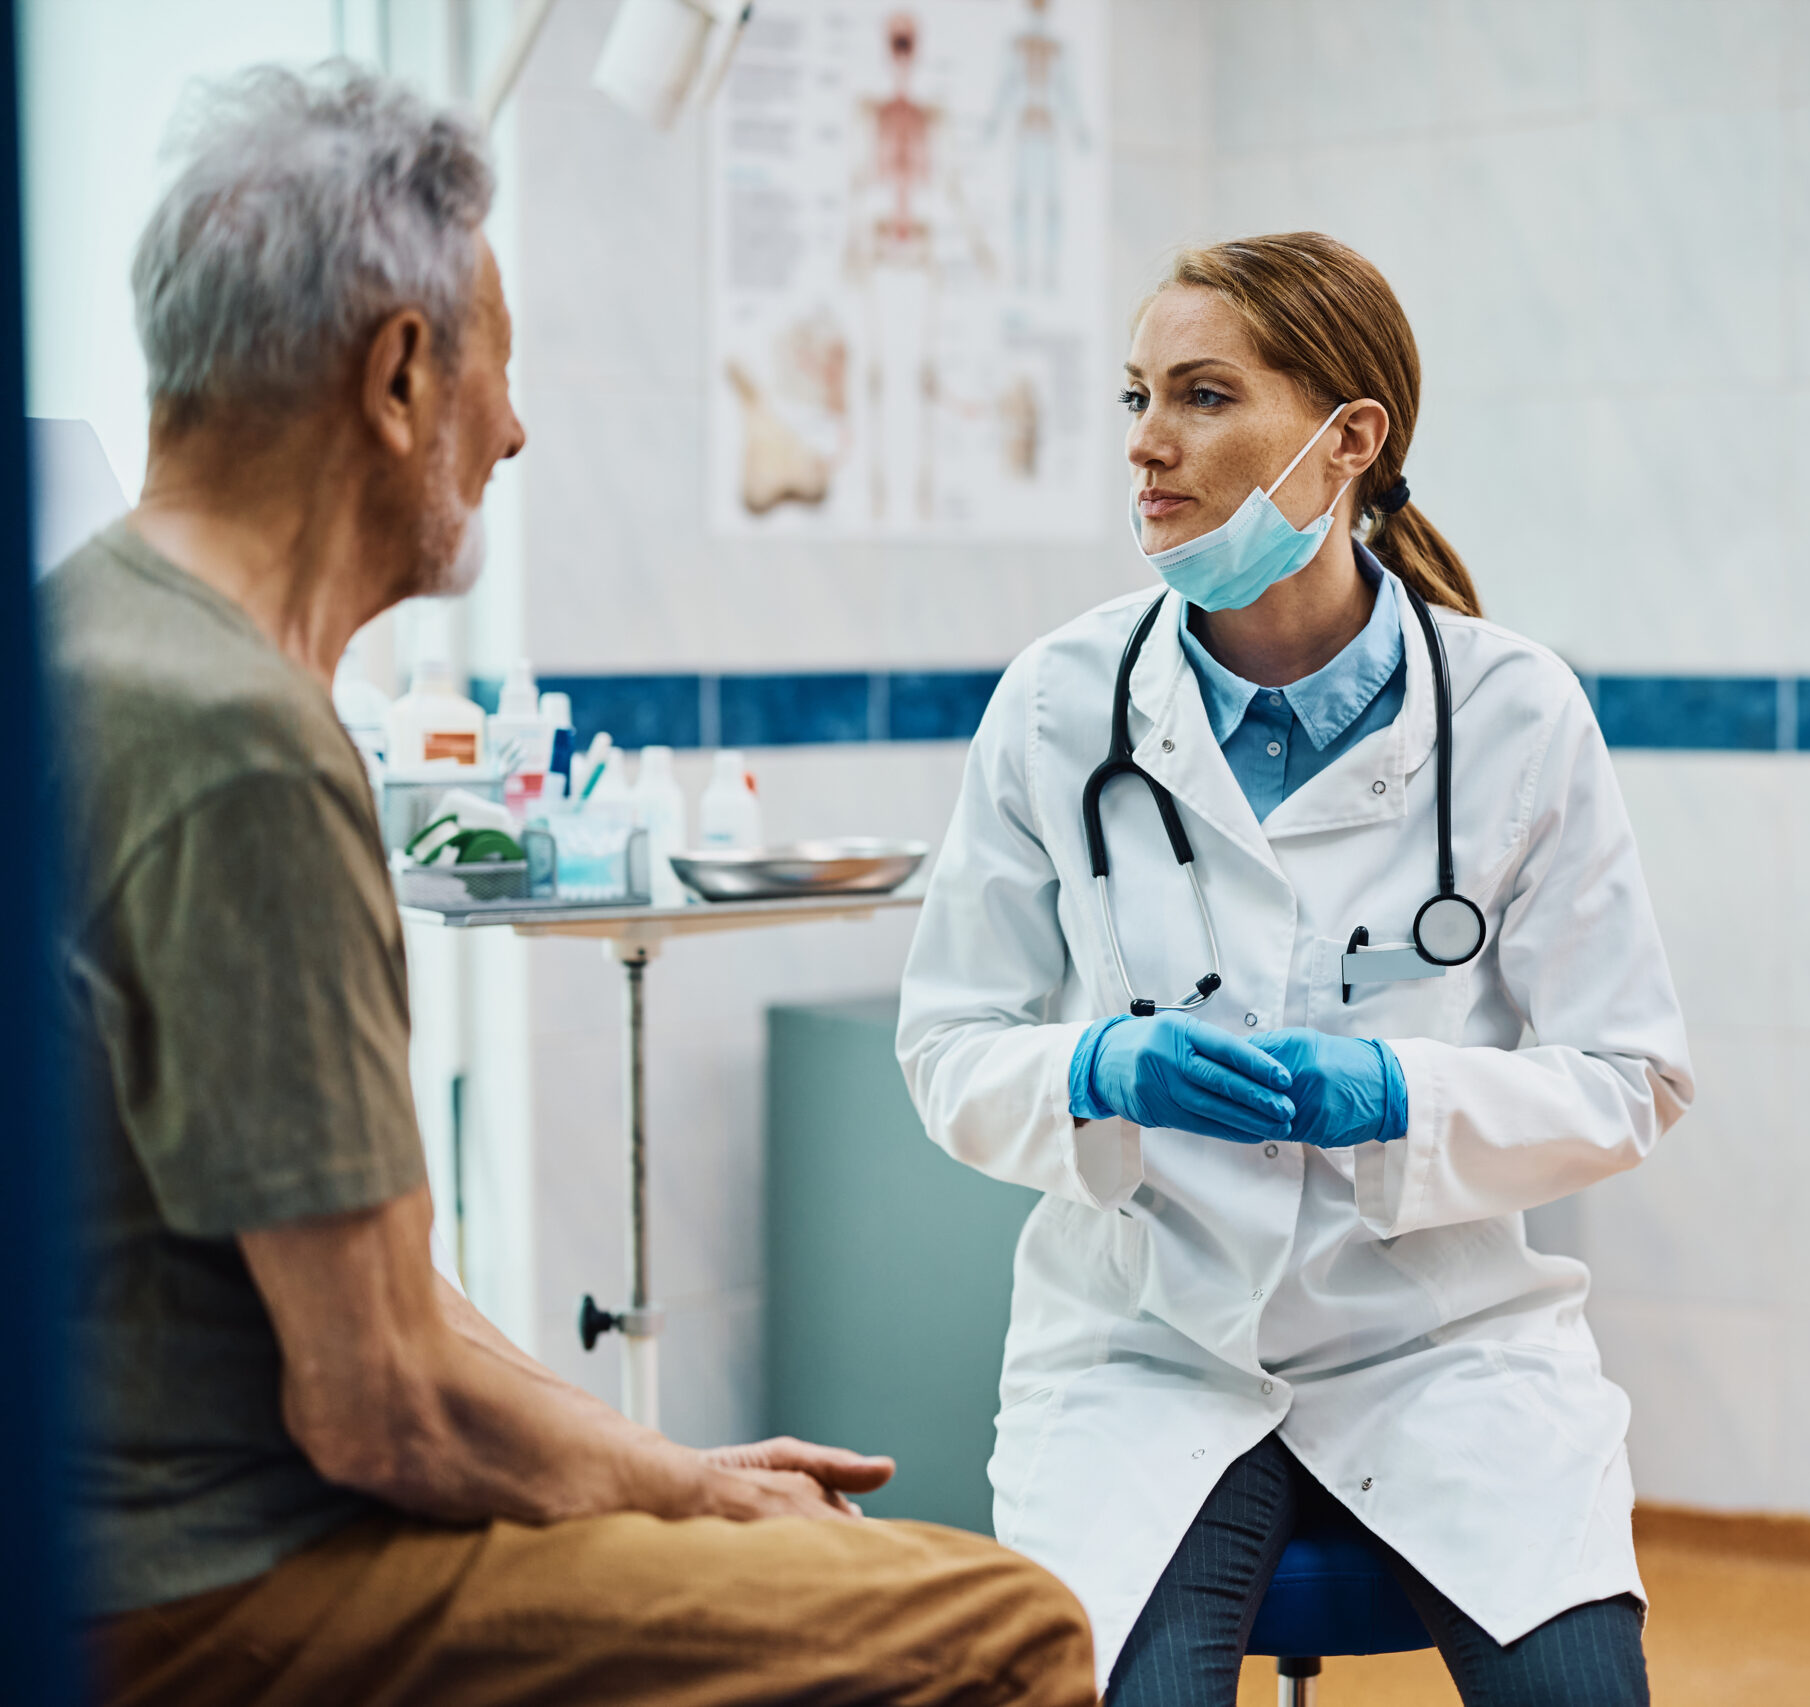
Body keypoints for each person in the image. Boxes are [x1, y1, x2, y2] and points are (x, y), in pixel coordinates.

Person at [45, 63, 1090, 1707]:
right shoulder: (239, 743)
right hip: (208, 1590)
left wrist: (662, 1463)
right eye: (498, 369)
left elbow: (366, 1292)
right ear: (400, 372)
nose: (516, 429)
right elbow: (377, 1401)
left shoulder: (90, 637)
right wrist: (681, 1493)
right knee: (1005, 1626)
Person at [898, 232, 1693, 1704]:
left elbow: (1631, 1078)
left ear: (1350, 440)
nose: (1145, 443)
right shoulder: (1060, 705)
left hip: (1443, 1350)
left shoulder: (1514, 712)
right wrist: (1090, 1067)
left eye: (1203, 395)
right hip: (1143, 1355)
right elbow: (947, 1047)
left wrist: (1403, 1098)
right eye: (1136, 395)